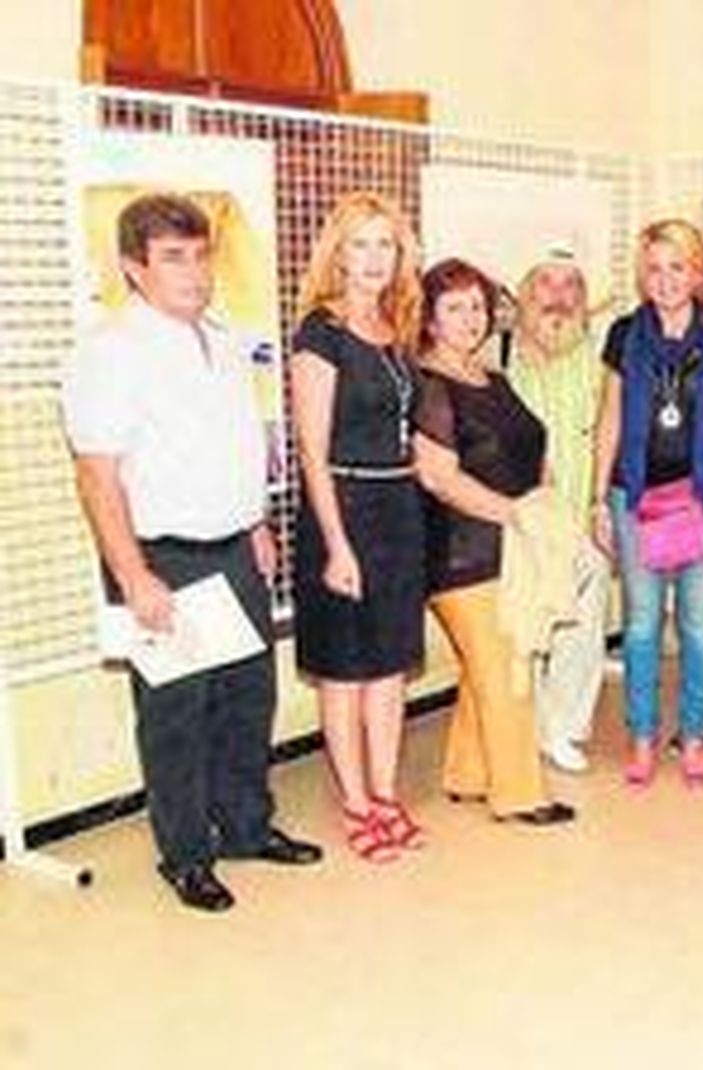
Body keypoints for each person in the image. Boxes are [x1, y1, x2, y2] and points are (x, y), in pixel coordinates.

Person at [63, 192, 321, 912]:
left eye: (202, 254)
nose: (195, 271)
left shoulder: (221, 337)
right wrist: (133, 574)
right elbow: (98, 474)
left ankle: (246, 827)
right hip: (161, 557)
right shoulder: (108, 351)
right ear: (134, 268)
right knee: (176, 713)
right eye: (174, 257)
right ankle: (185, 855)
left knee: (247, 697)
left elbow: (232, 445)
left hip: (233, 548)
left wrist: (254, 522)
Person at [412, 258, 577, 827]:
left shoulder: (494, 378)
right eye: (453, 307)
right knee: (508, 667)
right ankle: (519, 793)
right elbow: (438, 476)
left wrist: (542, 500)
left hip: (510, 545)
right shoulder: (430, 384)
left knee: (484, 664)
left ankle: (467, 772)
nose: (469, 318)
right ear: (429, 318)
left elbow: (529, 444)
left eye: (477, 306)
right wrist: (515, 512)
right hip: (463, 554)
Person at [290, 191, 429, 863]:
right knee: (344, 669)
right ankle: (354, 803)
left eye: (385, 245)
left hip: (399, 511)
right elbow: (311, 452)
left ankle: (385, 791)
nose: (375, 259)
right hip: (341, 512)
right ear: (337, 254)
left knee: (390, 669)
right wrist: (337, 545)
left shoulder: (397, 328)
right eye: (361, 245)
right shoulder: (321, 331)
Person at [592, 219, 703, 789]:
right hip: (633, 496)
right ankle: (641, 736)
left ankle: (693, 736)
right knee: (639, 626)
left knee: (698, 627)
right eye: (654, 268)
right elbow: (610, 417)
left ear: (695, 273)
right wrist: (596, 502)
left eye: (677, 267)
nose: (665, 279)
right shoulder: (621, 334)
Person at [507, 244, 609, 774]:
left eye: (572, 287)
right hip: (517, 520)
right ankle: (523, 728)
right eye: (546, 285)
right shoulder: (495, 358)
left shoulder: (599, 357)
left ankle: (565, 730)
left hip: (581, 516)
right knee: (527, 634)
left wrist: (602, 506)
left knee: (579, 628)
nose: (560, 299)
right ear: (524, 295)